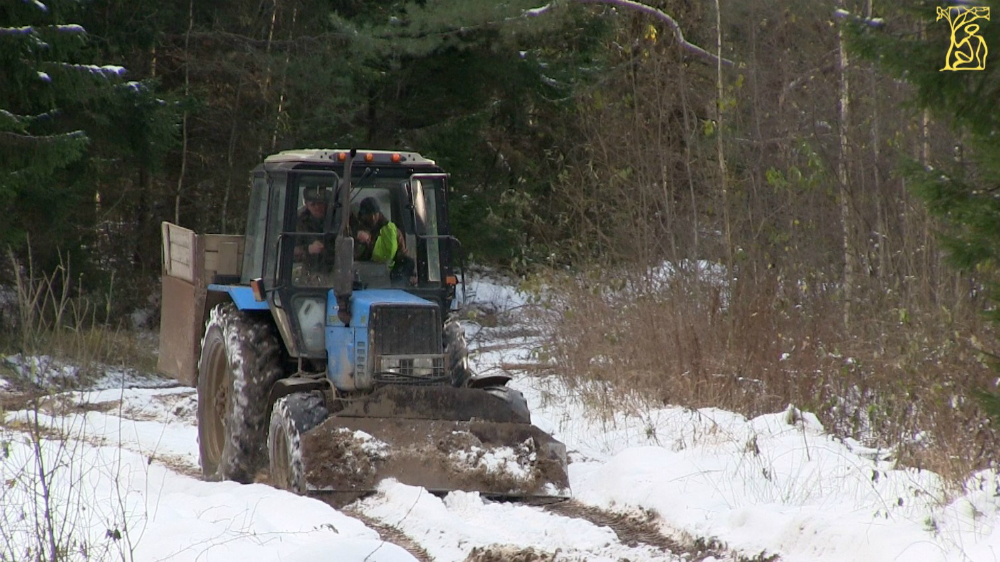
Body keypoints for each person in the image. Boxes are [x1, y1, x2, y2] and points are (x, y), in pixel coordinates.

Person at [355, 197, 415, 282]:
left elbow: (401, 255)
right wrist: (357, 239)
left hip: (387, 281)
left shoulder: (392, 230)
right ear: (362, 215)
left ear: (379, 213)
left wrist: (410, 275)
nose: (372, 218)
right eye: (369, 215)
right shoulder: (353, 229)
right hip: (360, 279)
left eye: (375, 214)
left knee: (408, 262)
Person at [294, 186, 332, 267]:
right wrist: (309, 249)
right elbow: (288, 252)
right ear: (307, 205)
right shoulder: (299, 222)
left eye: (320, 203)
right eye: (313, 204)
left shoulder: (337, 217)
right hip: (308, 270)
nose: (317, 207)